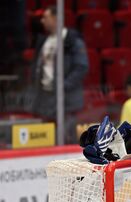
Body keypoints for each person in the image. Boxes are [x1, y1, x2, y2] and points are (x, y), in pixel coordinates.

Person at [31, 5, 88, 144]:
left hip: (66, 100)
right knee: (48, 138)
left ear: (56, 18)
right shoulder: (44, 41)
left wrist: (63, 86)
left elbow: (81, 67)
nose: (42, 21)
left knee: (66, 137)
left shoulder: (72, 41)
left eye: (46, 17)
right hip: (46, 98)